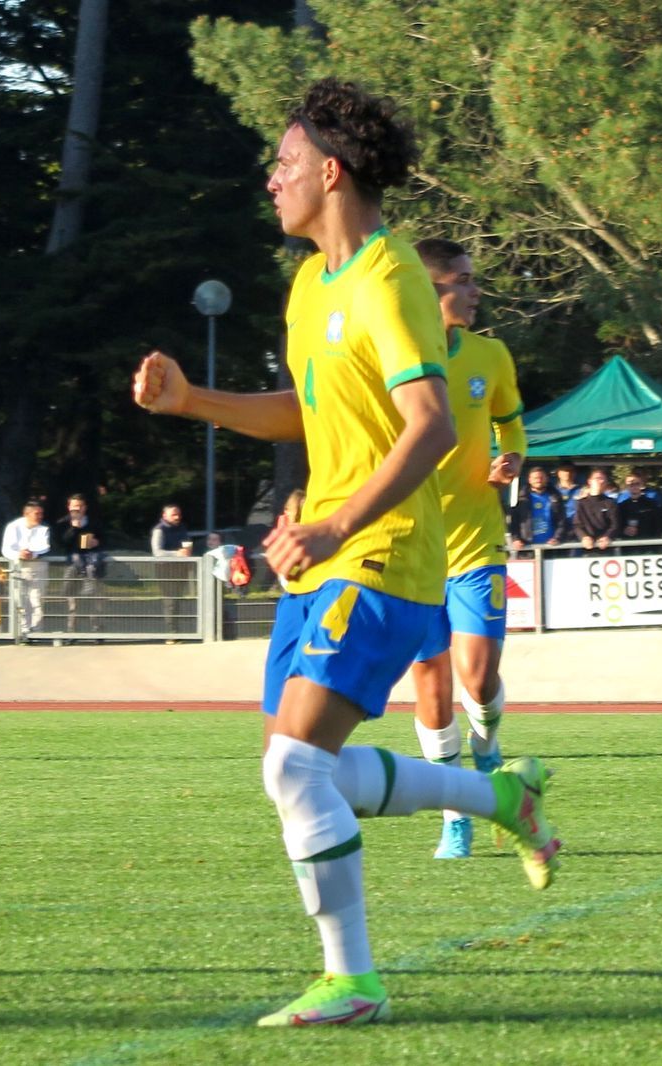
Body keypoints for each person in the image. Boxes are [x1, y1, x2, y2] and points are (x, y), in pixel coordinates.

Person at [132, 77, 559, 1028]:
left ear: (329, 171)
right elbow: (311, 414)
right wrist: (191, 400)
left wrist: (335, 525)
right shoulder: (307, 283)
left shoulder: (393, 277)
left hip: (385, 554)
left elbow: (432, 424)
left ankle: (354, 981)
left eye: (284, 162)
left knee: (292, 771)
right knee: (304, 769)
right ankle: (498, 795)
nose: (271, 177)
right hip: (319, 559)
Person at [407, 237, 528, 859]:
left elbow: (511, 423)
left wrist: (512, 457)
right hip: (414, 547)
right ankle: (456, 814)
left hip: (478, 538)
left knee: (477, 679)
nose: (476, 291)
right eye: (462, 280)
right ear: (432, 292)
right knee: (431, 692)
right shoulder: (398, 358)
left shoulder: (492, 355)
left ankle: (487, 746)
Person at [55, 492, 106, 629]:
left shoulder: (94, 522)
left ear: (85, 507)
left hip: (93, 565)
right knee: (73, 603)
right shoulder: (63, 523)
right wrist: (73, 528)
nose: (77, 509)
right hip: (73, 566)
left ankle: (97, 631)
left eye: (80, 506)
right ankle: (72, 632)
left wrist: (97, 542)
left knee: (95, 601)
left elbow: (105, 539)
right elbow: (62, 543)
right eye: (74, 506)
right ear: (68, 507)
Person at [1, 500, 51, 637]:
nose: (40, 516)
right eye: (37, 513)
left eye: (41, 513)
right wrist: (19, 554)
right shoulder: (13, 527)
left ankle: (37, 632)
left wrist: (32, 553)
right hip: (19, 568)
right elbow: (6, 549)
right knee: (21, 601)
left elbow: (45, 547)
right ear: (26, 514)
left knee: (37, 601)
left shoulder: (44, 528)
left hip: (38, 568)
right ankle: (23, 632)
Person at [151, 503, 193, 637]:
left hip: (180, 569)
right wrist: (177, 554)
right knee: (170, 602)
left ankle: (176, 631)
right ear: (164, 515)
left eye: (178, 514)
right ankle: (171, 633)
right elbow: (157, 552)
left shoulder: (182, 528)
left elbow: (186, 545)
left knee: (177, 601)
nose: (177, 517)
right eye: (173, 514)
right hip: (165, 571)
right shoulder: (159, 530)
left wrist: (187, 551)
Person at [506, 464, 566, 550]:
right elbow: (514, 522)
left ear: (547, 479)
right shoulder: (521, 500)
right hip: (527, 547)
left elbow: (562, 521)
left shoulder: (555, 497)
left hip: (552, 548)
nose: (538, 480)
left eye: (541, 477)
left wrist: (557, 537)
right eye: (535, 478)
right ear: (529, 480)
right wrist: (516, 539)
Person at [574, 466, 619, 554]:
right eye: (598, 478)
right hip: (587, 549)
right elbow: (577, 525)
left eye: (603, 479)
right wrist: (584, 537)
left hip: (607, 549)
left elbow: (615, 525)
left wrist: (607, 536)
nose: (600, 481)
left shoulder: (611, 503)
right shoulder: (581, 503)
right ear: (590, 481)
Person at [615, 471, 662, 544]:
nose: (634, 487)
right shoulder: (621, 506)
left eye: (637, 484)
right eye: (631, 484)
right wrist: (624, 530)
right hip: (628, 547)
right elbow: (616, 526)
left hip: (648, 547)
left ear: (641, 485)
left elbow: (659, 527)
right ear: (627, 486)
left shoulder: (652, 505)